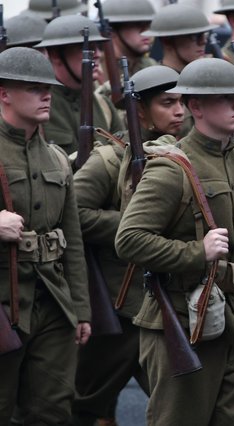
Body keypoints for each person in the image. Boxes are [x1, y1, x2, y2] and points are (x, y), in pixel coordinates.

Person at [115, 57, 234, 425]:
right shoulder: (171, 166)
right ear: (196, 106)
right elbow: (129, 240)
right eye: (225, 99)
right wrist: (195, 252)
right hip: (183, 319)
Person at [72, 65, 184, 426]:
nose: (179, 111)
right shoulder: (107, 160)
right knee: (84, 406)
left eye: (183, 102)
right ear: (139, 110)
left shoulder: (181, 156)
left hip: (165, 303)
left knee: (181, 406)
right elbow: (75, 214)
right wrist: (136, 228)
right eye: (168, 103)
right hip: (119, 306)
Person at [0, 47, 91, 425]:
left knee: (53, 409)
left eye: (49, 88)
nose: (47, 95)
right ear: (4, 93)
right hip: (4, 304)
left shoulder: (56, 158)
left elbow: (72, 241)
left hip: (52, 302)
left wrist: (82, 310)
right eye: (34, 88)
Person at [34, 14, 124, 157]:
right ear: (56, 55)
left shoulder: (104, 105)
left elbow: (124, 156)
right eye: (87, 48)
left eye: (98, 47)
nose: (98, 55)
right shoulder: (37, 107)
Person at [141, 3, 216, 73]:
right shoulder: (154, 83)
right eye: (195, 35)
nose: (203, 41)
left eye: (205, 35)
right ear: (167, 40)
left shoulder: (206, 75)